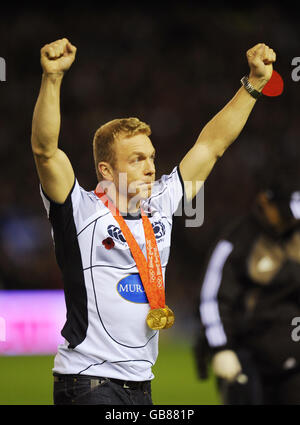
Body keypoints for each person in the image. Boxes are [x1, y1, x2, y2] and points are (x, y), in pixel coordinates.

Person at [31, 37, 276, 405]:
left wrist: (253, 84)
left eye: (151, 157)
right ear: (106, 170)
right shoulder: (79, 209)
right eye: (136, 159)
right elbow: (45, 151)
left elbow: (211, 145)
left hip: (141, 384)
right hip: (88, 381)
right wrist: (52, 79)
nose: (150, 167)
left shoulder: (161, 202)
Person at [194, 179, 300, 404]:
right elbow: (211, 297)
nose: (291, 219)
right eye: (285, 212)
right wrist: (221, 348)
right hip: (247, 360)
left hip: (294, 364)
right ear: (265, 202)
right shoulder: (238, 239)